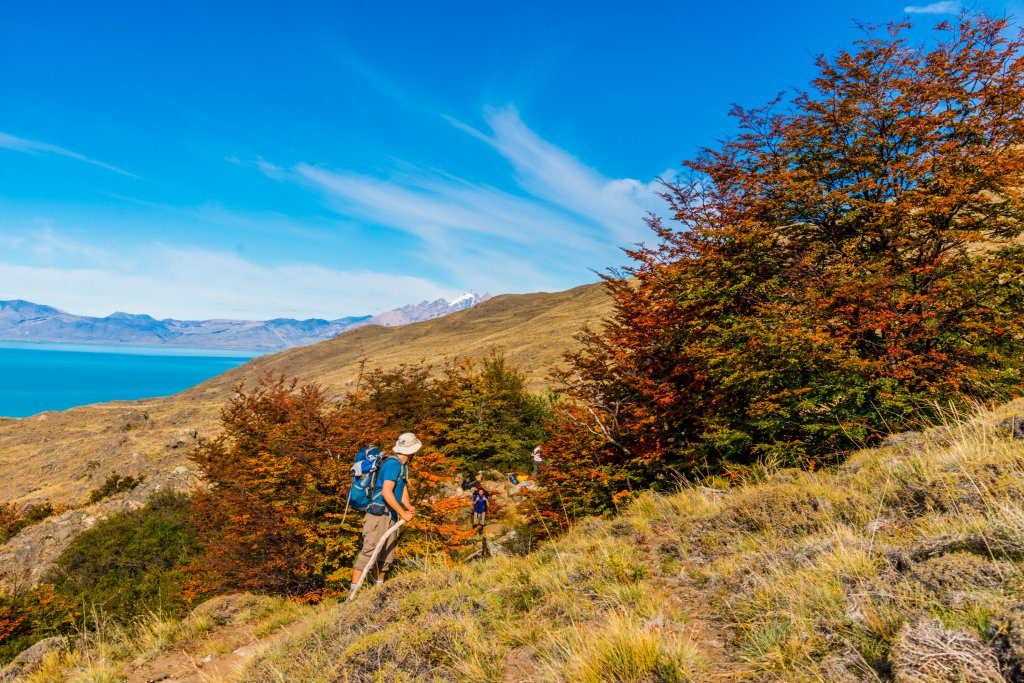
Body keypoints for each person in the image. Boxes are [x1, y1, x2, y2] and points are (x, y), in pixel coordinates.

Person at [350, 432, 421, 591]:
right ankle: (352, 596)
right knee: (369, 554)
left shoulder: (402, 465)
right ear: (412, 450)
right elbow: (386, 492)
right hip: (378, 515)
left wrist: (407, 506)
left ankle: (377, 592)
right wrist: (403, 513)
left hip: (390, 516)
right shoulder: (393, 464)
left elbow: (400, 489)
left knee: (385, 558)